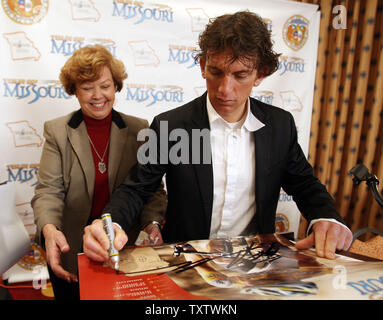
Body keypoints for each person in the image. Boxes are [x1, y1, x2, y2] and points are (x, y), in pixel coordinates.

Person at [83, 11, 352, 266]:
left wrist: (326, 217)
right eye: (216, 72)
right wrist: (110, 223)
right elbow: (136, 188)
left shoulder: (279, 125)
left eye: (240, 75)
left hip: (256, 266)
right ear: (202, 66)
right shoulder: (172, 126)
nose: (225, 89)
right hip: (186, 264)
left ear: (260, 74)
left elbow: (305, 185)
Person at [31, 45, 167, 300]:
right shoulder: (57, 131)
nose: (97, 96)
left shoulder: (140, 129)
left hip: (125, 250)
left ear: (116, 86)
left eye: (105, 86)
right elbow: (48, 191)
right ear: (74, 90)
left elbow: (153, 189)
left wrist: (152, 223)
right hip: (73, 252)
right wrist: (49, 229)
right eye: (87, 87)